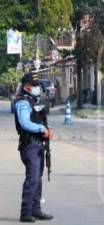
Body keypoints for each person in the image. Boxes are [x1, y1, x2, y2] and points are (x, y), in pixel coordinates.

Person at [15, 73, 54, 223]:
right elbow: (25, 123)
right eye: (35, 85)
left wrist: (48, 129)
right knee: (32, 179)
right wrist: (41, 129)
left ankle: (35, 210)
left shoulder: (33, 100)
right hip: (29, 144)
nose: (38, 88)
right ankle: (25, 212)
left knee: (37, 178)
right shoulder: (22, 103)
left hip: (38, 144)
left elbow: (37, 120)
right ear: (26, 87)